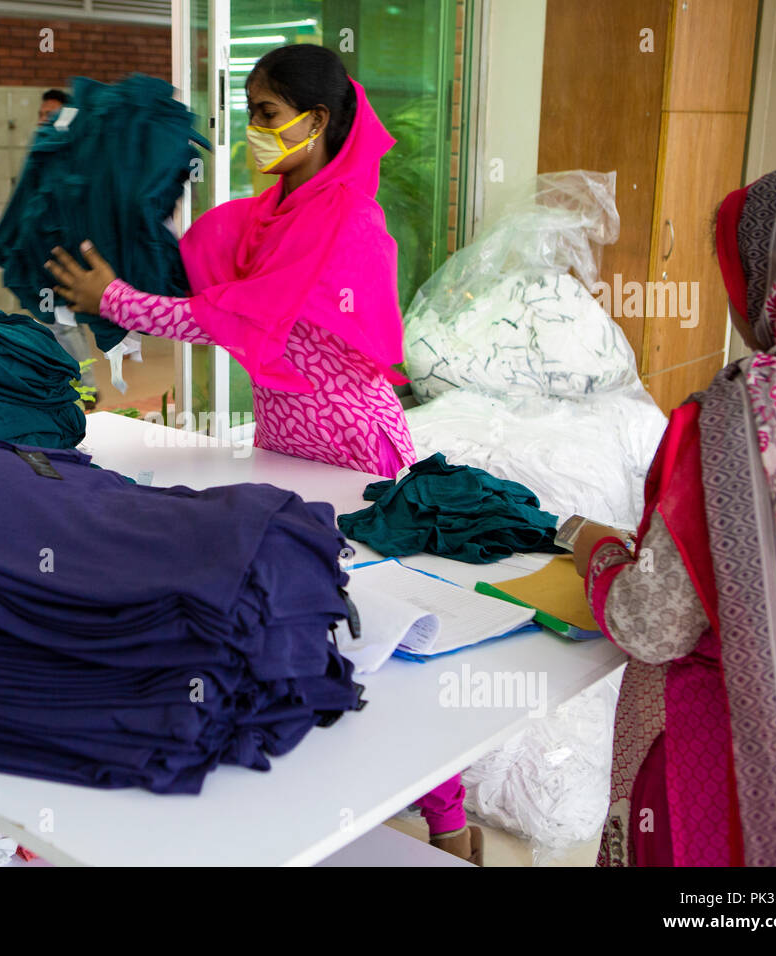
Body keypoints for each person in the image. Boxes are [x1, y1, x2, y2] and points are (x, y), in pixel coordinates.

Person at [46, 45, 478, 863]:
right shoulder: (273, 211)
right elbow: (200, 277)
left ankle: (449, 818)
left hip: (354, 446)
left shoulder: (344, 217)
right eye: (249, 111)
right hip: (286, 445)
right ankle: (332, 797)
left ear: (317, 122)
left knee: (381, 633)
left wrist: (118, 301)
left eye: (268, 114)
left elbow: (232, 316)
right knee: (303, 608)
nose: (254, 130)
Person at [573, 163, 776, 866]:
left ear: (773, 282)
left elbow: (654, 624)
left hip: (729, 758)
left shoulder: (741, 421)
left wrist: (594, 553)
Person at [34, 88, 98, 409]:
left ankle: (87, 387)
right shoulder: (43, 153)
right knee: (52, 320)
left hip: (68, 251)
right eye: (41, 114)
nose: (44, 120)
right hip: (44, 249)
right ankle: (71, 382)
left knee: (65, 320)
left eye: (51, 115)